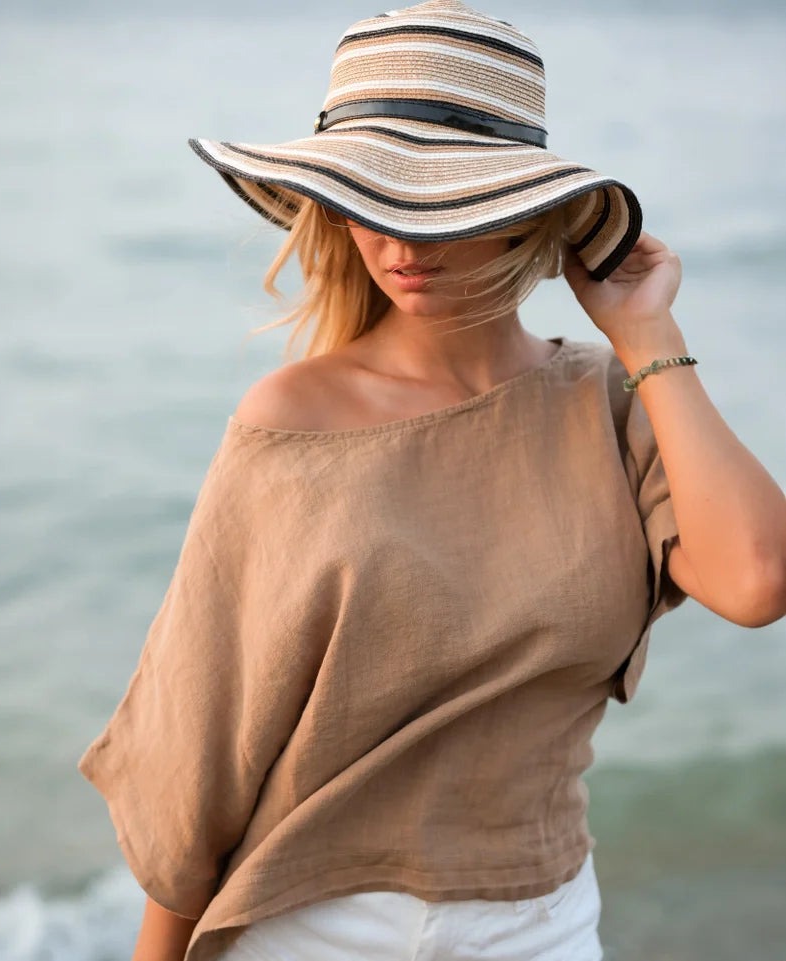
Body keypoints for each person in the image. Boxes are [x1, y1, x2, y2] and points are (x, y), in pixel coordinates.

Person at [78, 3, 786, 960]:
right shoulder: (292, 421)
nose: (401, 240)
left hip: (542, 923)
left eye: (442, 201)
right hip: (311, 928)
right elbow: (201, 747)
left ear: (519, 211)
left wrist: (648, 336)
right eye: (370, 198)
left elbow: (754, 580)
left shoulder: (610, 403)